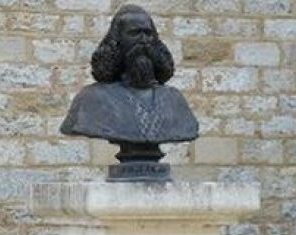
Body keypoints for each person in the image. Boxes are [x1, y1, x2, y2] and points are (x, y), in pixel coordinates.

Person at [60, 4, 198, 147]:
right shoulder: (92, 98)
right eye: (135, 33)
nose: (144, 40)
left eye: (148, 33)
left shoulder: (174, 99)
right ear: (117, 41)